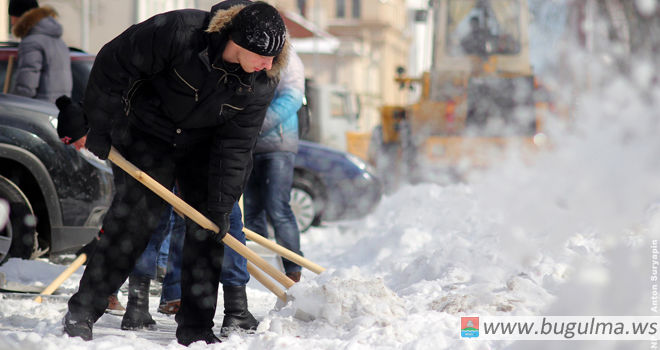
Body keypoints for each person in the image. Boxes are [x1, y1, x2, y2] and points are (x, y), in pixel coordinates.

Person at [61, 0, 288, 345]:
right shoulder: (179, 33)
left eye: (274, 58)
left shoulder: (261, 80)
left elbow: (236, 146)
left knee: (208, 230)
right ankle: (82, 312)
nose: (268, 65)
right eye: (261, 56)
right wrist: (100, 127)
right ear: (237, 42)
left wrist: (221, 204)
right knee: (132, 224)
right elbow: (114, 64)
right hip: (147, 133)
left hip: (203, 147)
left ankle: (196, 329)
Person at [244, 49, 305, 282]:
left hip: (279, 144)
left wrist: (256, 124)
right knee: (252, 210)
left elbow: (293, 97)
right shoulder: (249, 55)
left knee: (278, 207)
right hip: (250, 145)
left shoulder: (288, 58)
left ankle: (293, 269)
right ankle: (260, 267)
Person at [8, 0, 72, 102]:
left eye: (12, 17)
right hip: (57, 110)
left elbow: (26, 88)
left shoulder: (31, 43)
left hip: (37, 112)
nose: (12, 22)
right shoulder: (59, 41)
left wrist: (11, 104)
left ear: (21, 17)